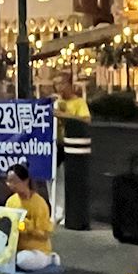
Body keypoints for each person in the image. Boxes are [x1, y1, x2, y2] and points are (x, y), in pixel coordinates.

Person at [4, 164, 60, 272]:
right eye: (8, 181)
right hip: (16, 247)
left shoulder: (39, 204)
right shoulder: (11, 201)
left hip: (36, 250)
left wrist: (25, 226)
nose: (11, 185)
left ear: (25, 181)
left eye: (14, 181)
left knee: (22, 260)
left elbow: (44, 234)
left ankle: (50, 259)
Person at [53, 74, 91, 222]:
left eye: (62, 83)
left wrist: (64, 115)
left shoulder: (79, 102)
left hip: (72, 145)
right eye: (56, 84)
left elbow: (86, 120)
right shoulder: (56, 102)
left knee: (68, 179)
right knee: (54, 178)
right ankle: (56, 210)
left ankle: (66, 212)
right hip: (56, 144)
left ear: (70, 85)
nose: (59, 87)